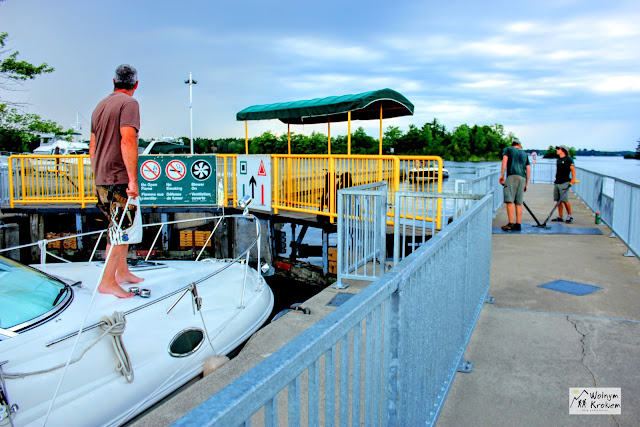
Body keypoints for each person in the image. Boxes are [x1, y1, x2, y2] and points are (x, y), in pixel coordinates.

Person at [90, 64, 143, 298]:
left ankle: (121, 271)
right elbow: (128, 140)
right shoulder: (129, 104)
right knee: (122, 230)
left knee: (118, 226)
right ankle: (108, 281)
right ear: (136, 85)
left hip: (102, 176)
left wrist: (98, 172)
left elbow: (92, 145)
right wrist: (132, 179)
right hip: (119, 176)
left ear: (114, 81)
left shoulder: (100, 105)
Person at [499, 139, 531, 231]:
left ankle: (511, 223)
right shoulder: (524, 154)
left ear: (512, 144)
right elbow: (528, 169)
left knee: (509, 200)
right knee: (518, 202)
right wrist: (527, 184)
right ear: (519, 145)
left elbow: (504, 162)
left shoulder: (508, 149)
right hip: (522, 178)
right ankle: (518, 224)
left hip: (512, 176)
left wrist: (502, 175)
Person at [551, 145, 577, 223]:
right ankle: (560, 216)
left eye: (558, 149)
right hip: (557, 182)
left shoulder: (568, 159)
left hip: (565, 182)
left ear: (563, 150)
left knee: (565, 200)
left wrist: (573, 179)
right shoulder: (558, 160)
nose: (557, 150)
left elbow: (573, 169)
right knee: (558, 200)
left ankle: (570, 215)